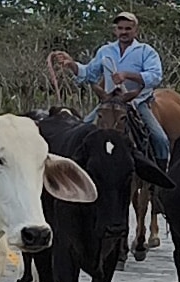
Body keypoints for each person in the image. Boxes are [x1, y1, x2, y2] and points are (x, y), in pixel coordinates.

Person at [51, 11, 170, 172]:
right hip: (108, 102)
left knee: (160, 138)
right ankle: (74, 173)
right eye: (120, 28)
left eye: (128, 28)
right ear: (115, 30)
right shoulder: (105, 50)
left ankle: (160, 176)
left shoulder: (145, 51)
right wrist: (72, 64)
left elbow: (155, 76)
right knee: (82, 128)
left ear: (136, 30)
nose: (124, 32)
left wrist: (128, 75)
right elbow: (89, 72)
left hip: (136, 102)